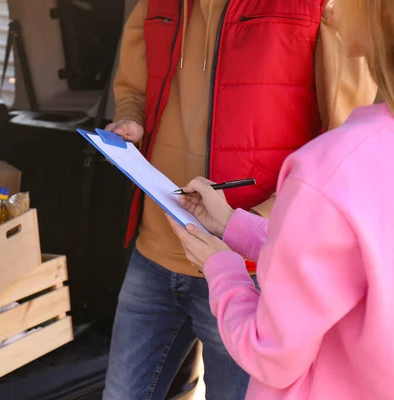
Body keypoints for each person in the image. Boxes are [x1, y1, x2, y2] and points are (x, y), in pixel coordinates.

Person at [103, 0, 377, 399]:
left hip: (250, 265)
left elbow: (346, 136)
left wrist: (256, 223)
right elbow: (134, 87)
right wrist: (131, 117)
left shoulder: (317, 6)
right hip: (155, 252)